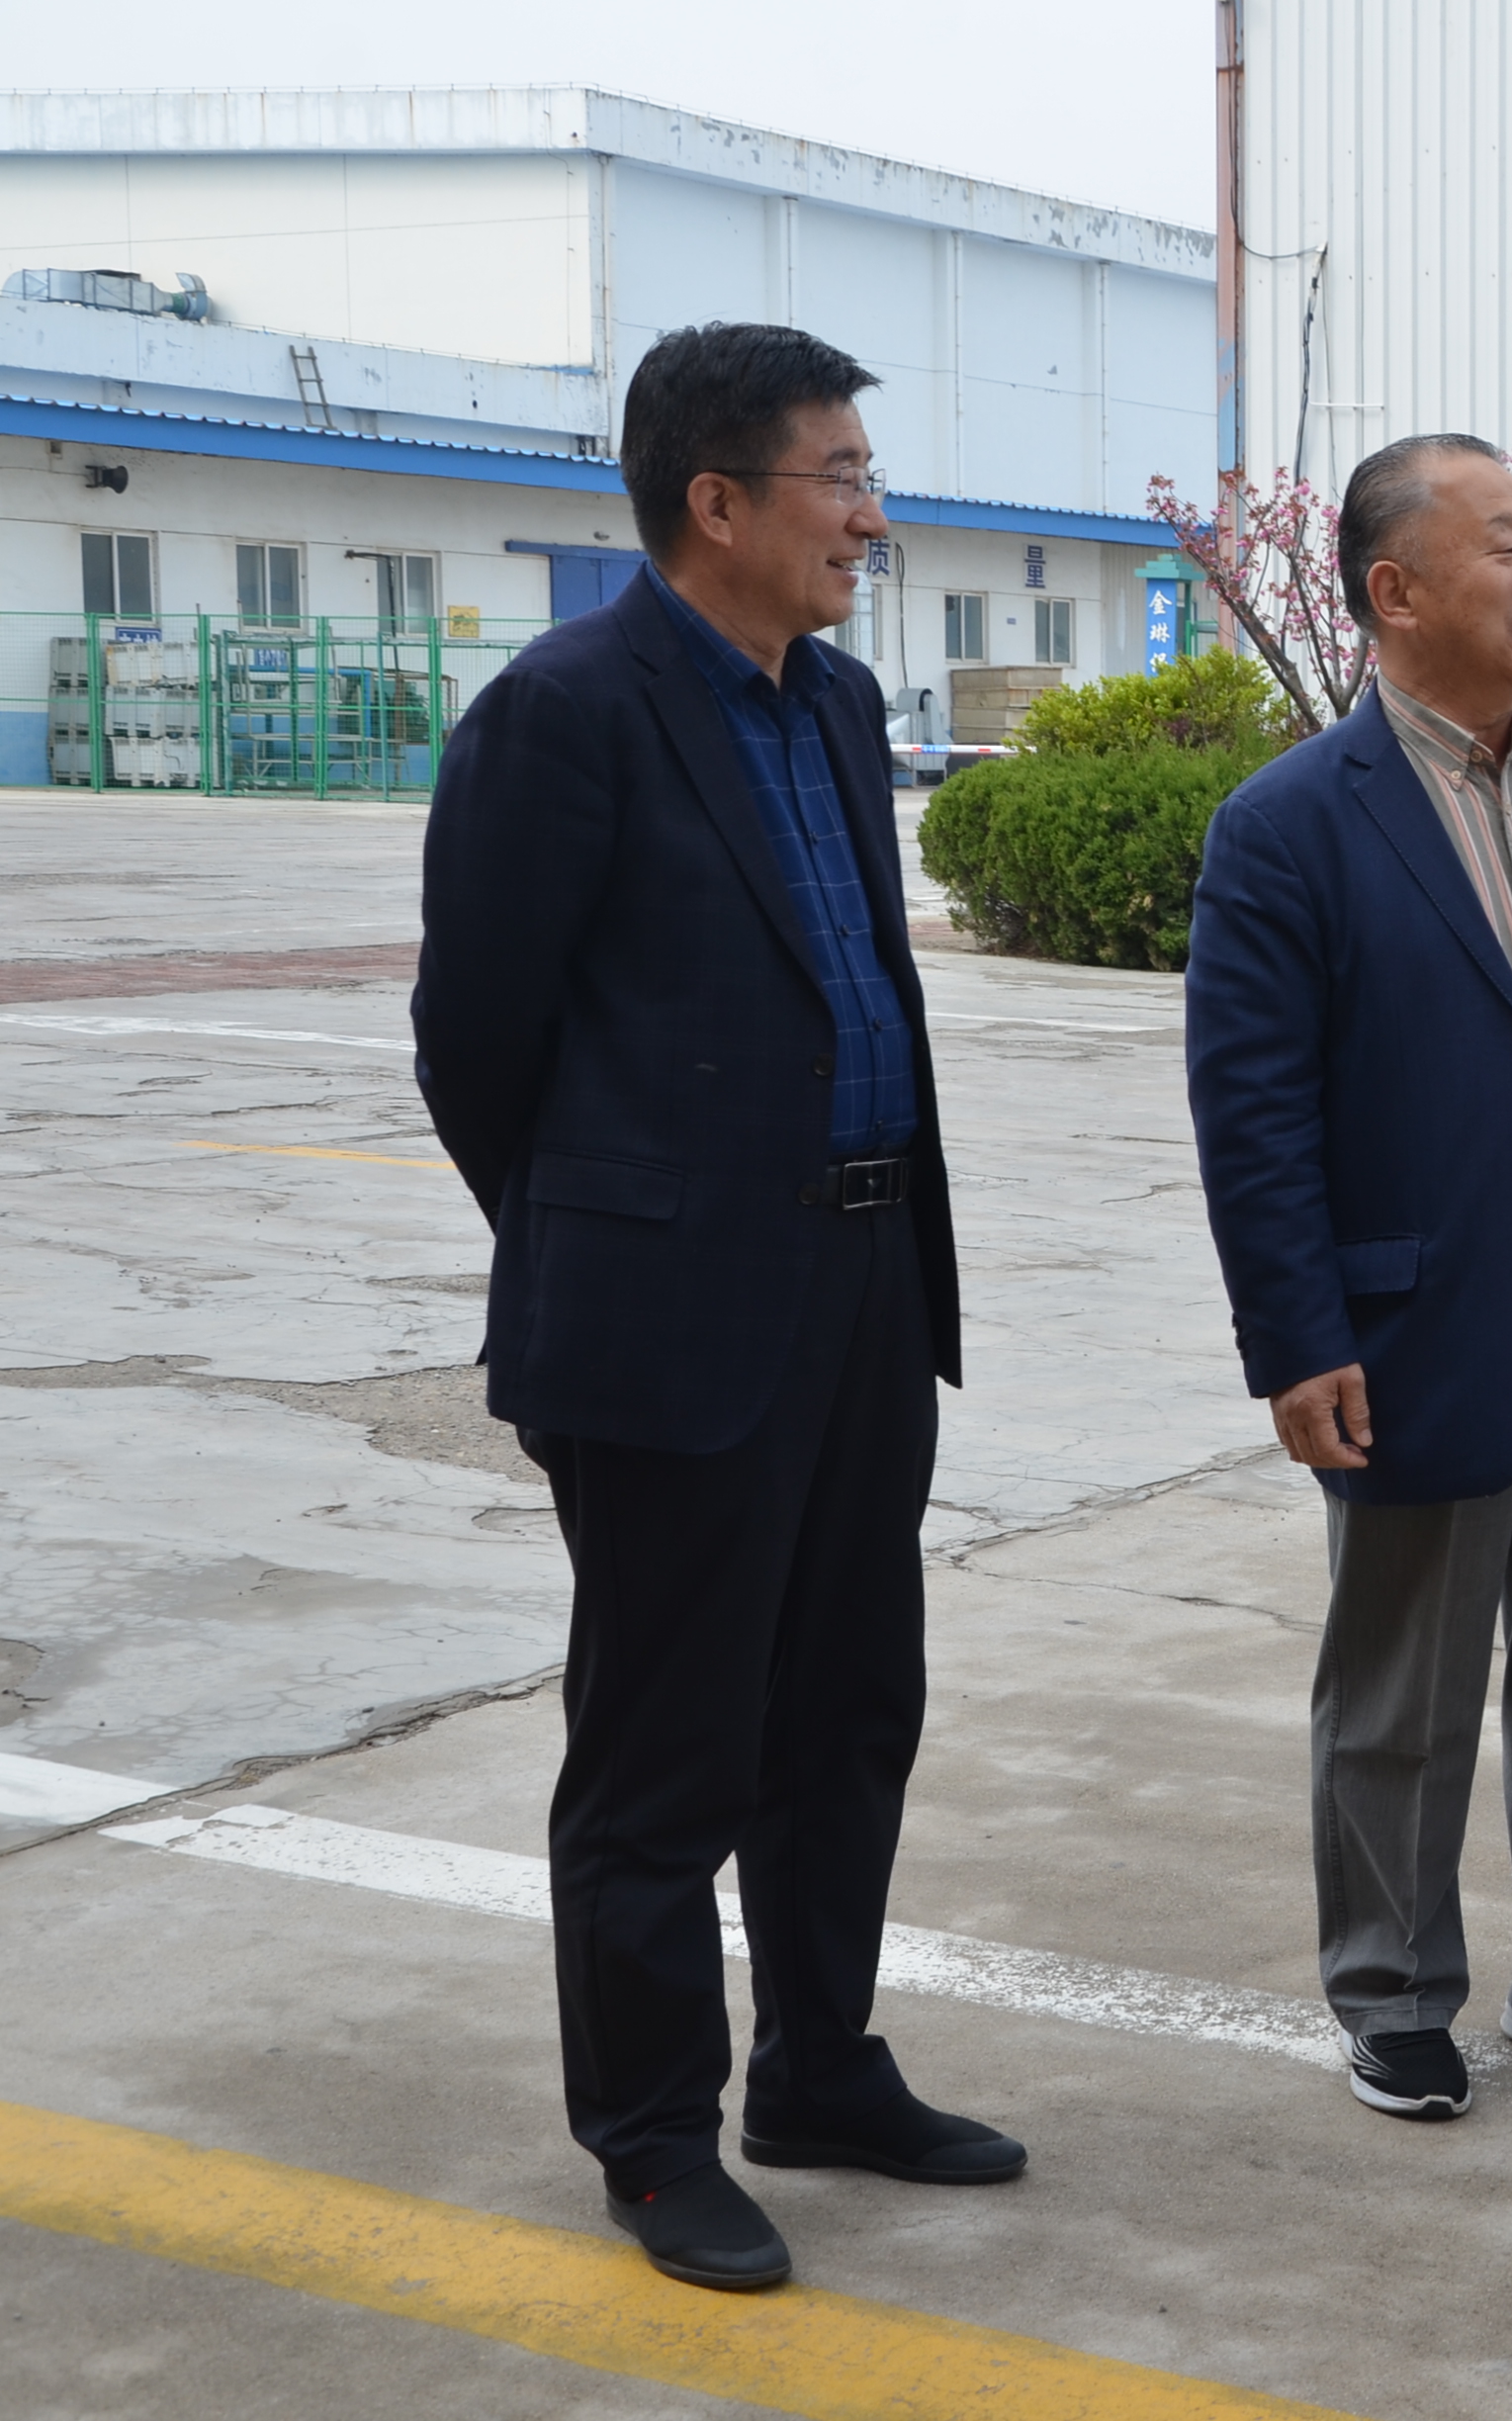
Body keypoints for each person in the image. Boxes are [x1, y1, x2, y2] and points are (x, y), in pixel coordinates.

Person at [413, 322, 1019, 2294]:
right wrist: (614, 1239)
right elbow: (476, 1042)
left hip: (865, 1281)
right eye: (840, 477)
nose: (870, 516)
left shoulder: (828, 705)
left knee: (846, 1709)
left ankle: (819, 2067)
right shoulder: (565, 713)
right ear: (717, 501)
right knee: (667, 1743)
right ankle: (658, 2135)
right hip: (671, 1317)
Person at [1186, 433, 1512, 2124]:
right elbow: (1252, 1113)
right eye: (1501, 545)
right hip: (1416, 1316)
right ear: (1395, 590)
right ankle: (1394, 1987)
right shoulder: (1290, 825)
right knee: (1405, 1685)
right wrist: (1296, 1339)